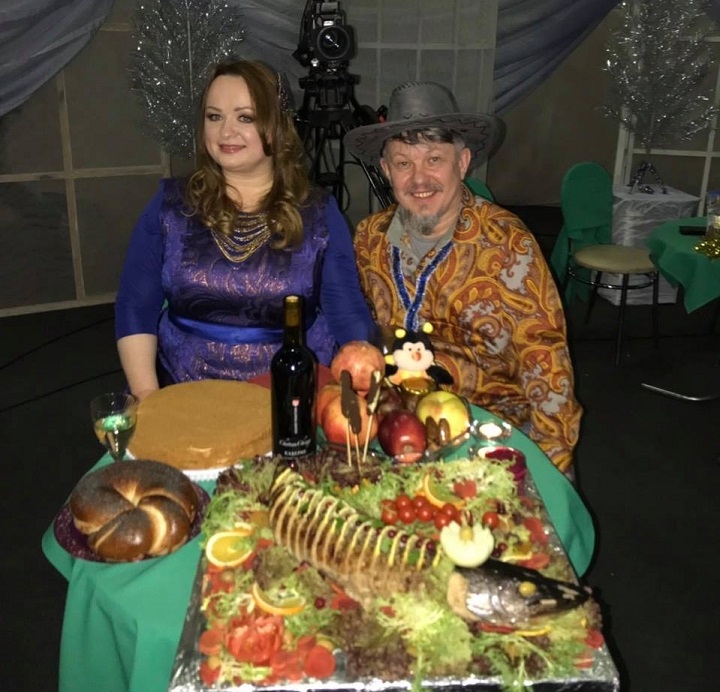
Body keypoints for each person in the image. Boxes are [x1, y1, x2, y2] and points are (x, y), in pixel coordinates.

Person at [344, 81, 582, 473]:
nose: (419, 179)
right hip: (395, 430)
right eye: (403, 164)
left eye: (434, 159)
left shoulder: (507, 243)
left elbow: (546, 363)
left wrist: (549, 467)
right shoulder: (369, 238)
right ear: (386, 170)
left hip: (490, 434)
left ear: (463, 162)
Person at [115, 60, 373, 399]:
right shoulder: (170, 205)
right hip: (181, 392)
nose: (226, 132)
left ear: (277, 125)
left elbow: (348, 316)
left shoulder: (319, 213)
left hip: (290, 396)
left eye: (245, 117)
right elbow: (136, 306)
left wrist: (363, 389)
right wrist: (149, 397)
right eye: (214, 116)